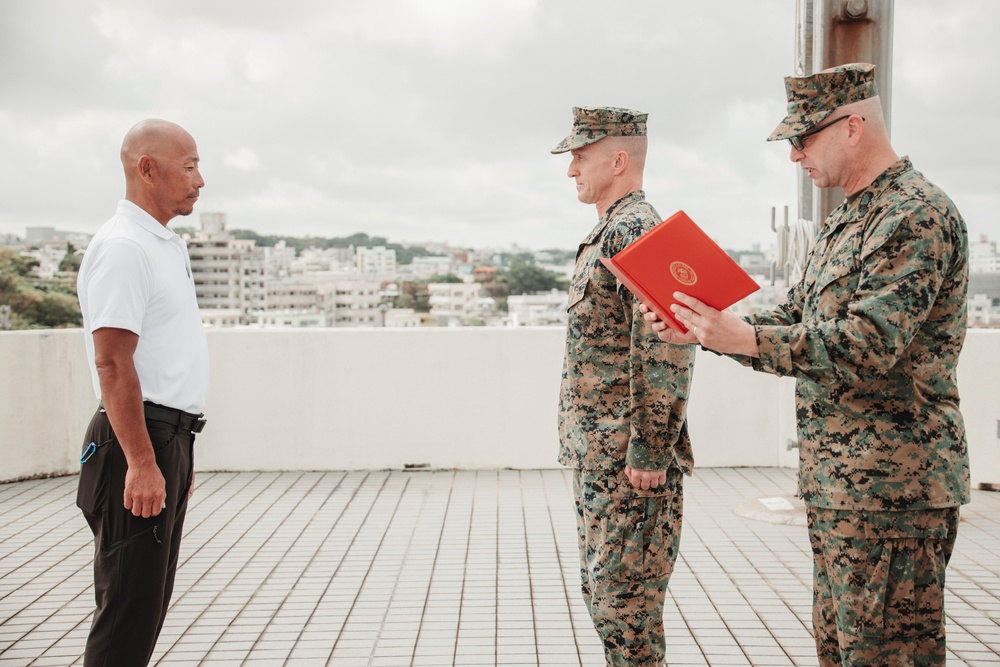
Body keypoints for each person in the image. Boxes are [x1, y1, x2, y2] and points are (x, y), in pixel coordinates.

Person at [643, 63, 970, 666]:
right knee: (842, 652)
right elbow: (797, 317)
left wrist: (743, 340)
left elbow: (868, 344)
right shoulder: (847, 217)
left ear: (852, 127)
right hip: (842, 490)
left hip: (894, 490)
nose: (795, 156)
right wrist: (705, 330)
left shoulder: (914, 213)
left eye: (804, 138)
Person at [552, 106, 696, 667]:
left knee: (625, 609)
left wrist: (650, 447)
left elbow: (667, 344)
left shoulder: (638, 229)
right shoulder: (613, 229)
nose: (571, 171)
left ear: (618, 160)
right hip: (602, 455)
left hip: (626, 460)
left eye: (580, 157)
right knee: (606, 598)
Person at [75, 119, 209, 666]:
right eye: (190, 165)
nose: (201, 180)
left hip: (165, 436)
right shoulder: (125, 247)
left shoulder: (162, 244)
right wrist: (142, 460)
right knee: (127, 612)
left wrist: (176, 451)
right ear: (146, 169)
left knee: (146, 607)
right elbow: (112, 361)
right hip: (139, 437)